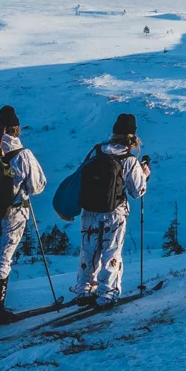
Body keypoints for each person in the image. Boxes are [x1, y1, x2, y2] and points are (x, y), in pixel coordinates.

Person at [72, 112, 150, 306]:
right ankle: (107, 293)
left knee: (89, 251)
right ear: (132, 137)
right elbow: (136, 191)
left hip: (89, 211)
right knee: (111, 251)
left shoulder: (96, 151)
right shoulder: (129, 159)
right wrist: (144, 175)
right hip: (114, 212)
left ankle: (84, 290)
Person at [0, 105, 47, 323]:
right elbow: (37, 186)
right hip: (13, 215)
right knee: (3, 259)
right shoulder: (23, 155)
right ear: (17, 129)